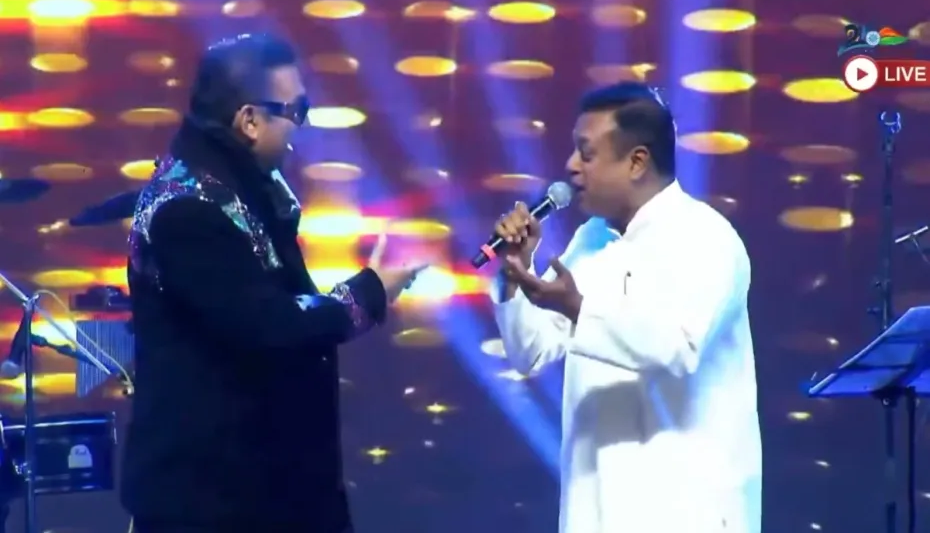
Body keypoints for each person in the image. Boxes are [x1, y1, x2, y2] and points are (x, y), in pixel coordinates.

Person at [122, 33, 423, 533]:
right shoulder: (188, 210)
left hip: (270, 491)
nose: (300, 125)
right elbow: (269, 324)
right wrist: (367, 293)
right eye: (296, 110)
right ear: (249, 120)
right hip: (212, 503)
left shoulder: (244, 190)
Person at [490, 82, 761, 533]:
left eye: (586, 153)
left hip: (686, 512)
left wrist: (579, 309)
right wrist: (514, 274)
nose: (570, 167)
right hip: (595, 509)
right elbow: (531, 352)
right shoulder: (590, 239)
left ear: (637, 161)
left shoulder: (705, 238)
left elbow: (678, 349)